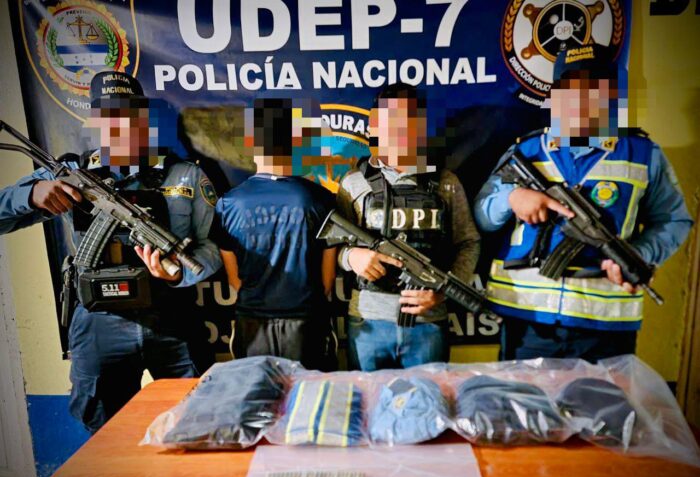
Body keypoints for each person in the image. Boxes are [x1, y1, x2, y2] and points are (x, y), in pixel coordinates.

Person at [0, 71, 221, 432]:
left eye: (130, 113)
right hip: (98, 322)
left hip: (171, 317)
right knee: (103, 429)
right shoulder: (70, 173)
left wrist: (180, 273)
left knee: (199, 419)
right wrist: (31, 195)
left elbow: (211, 247)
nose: (120, 123)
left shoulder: (185, 176)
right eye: (108, 114)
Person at [473, 44, 693, 361]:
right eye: (570, 88)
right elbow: (482, 215)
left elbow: (674, 220)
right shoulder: (526, 151)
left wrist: (640, 254)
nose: (580, 98)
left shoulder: (643, 154)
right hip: (527, 320)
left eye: (594, 88)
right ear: (554, 95)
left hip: (605, 325)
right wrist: (512, 197)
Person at [337, 83, 481, 371]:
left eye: (406, 121)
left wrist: (442, 291)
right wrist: (352, 257)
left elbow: (468, 242)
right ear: (374, 126)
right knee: (368, 398)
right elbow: (332, 246)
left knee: (428, 397)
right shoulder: (354, 182)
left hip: (428, 321)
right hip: (368, 322)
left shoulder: (445, 182)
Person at [211, 98, 337, 370]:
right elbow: (327, 281)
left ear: (251, 143)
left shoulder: (228, 203)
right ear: (294, 141)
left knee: (259, 395)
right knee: (310, 395)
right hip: (306, 322)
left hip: (252, 323)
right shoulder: (320, 199)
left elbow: (234, 279)